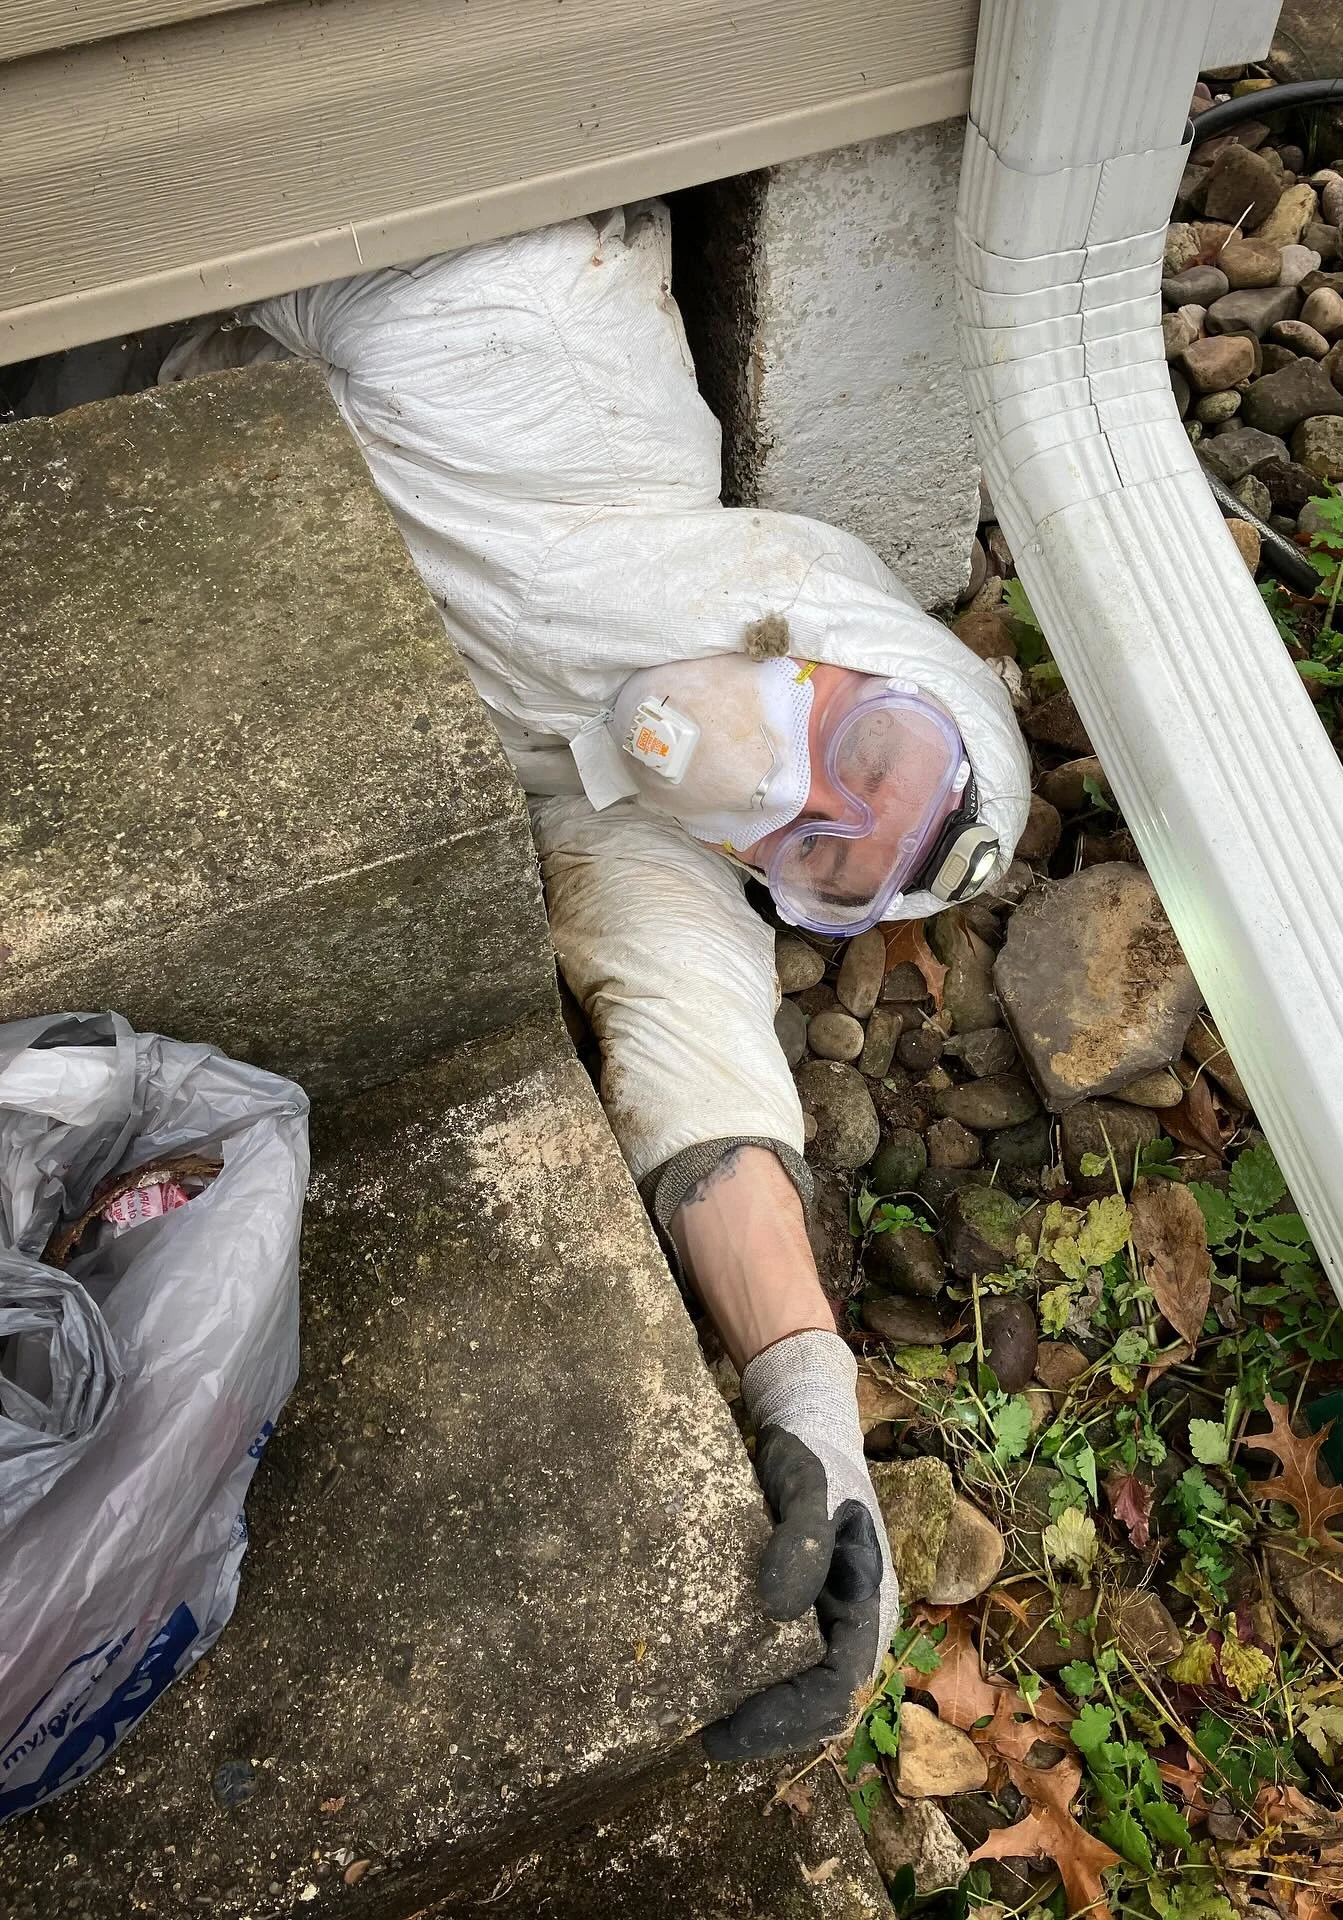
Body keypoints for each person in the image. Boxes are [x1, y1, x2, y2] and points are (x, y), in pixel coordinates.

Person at [233, 204, 1030, 1760]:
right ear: (843, 641)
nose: (800, 793)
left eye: (823, 850)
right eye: (862, 752)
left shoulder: (639, 805)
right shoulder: (546, 351)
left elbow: (698, 1048)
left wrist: (811, 1406)